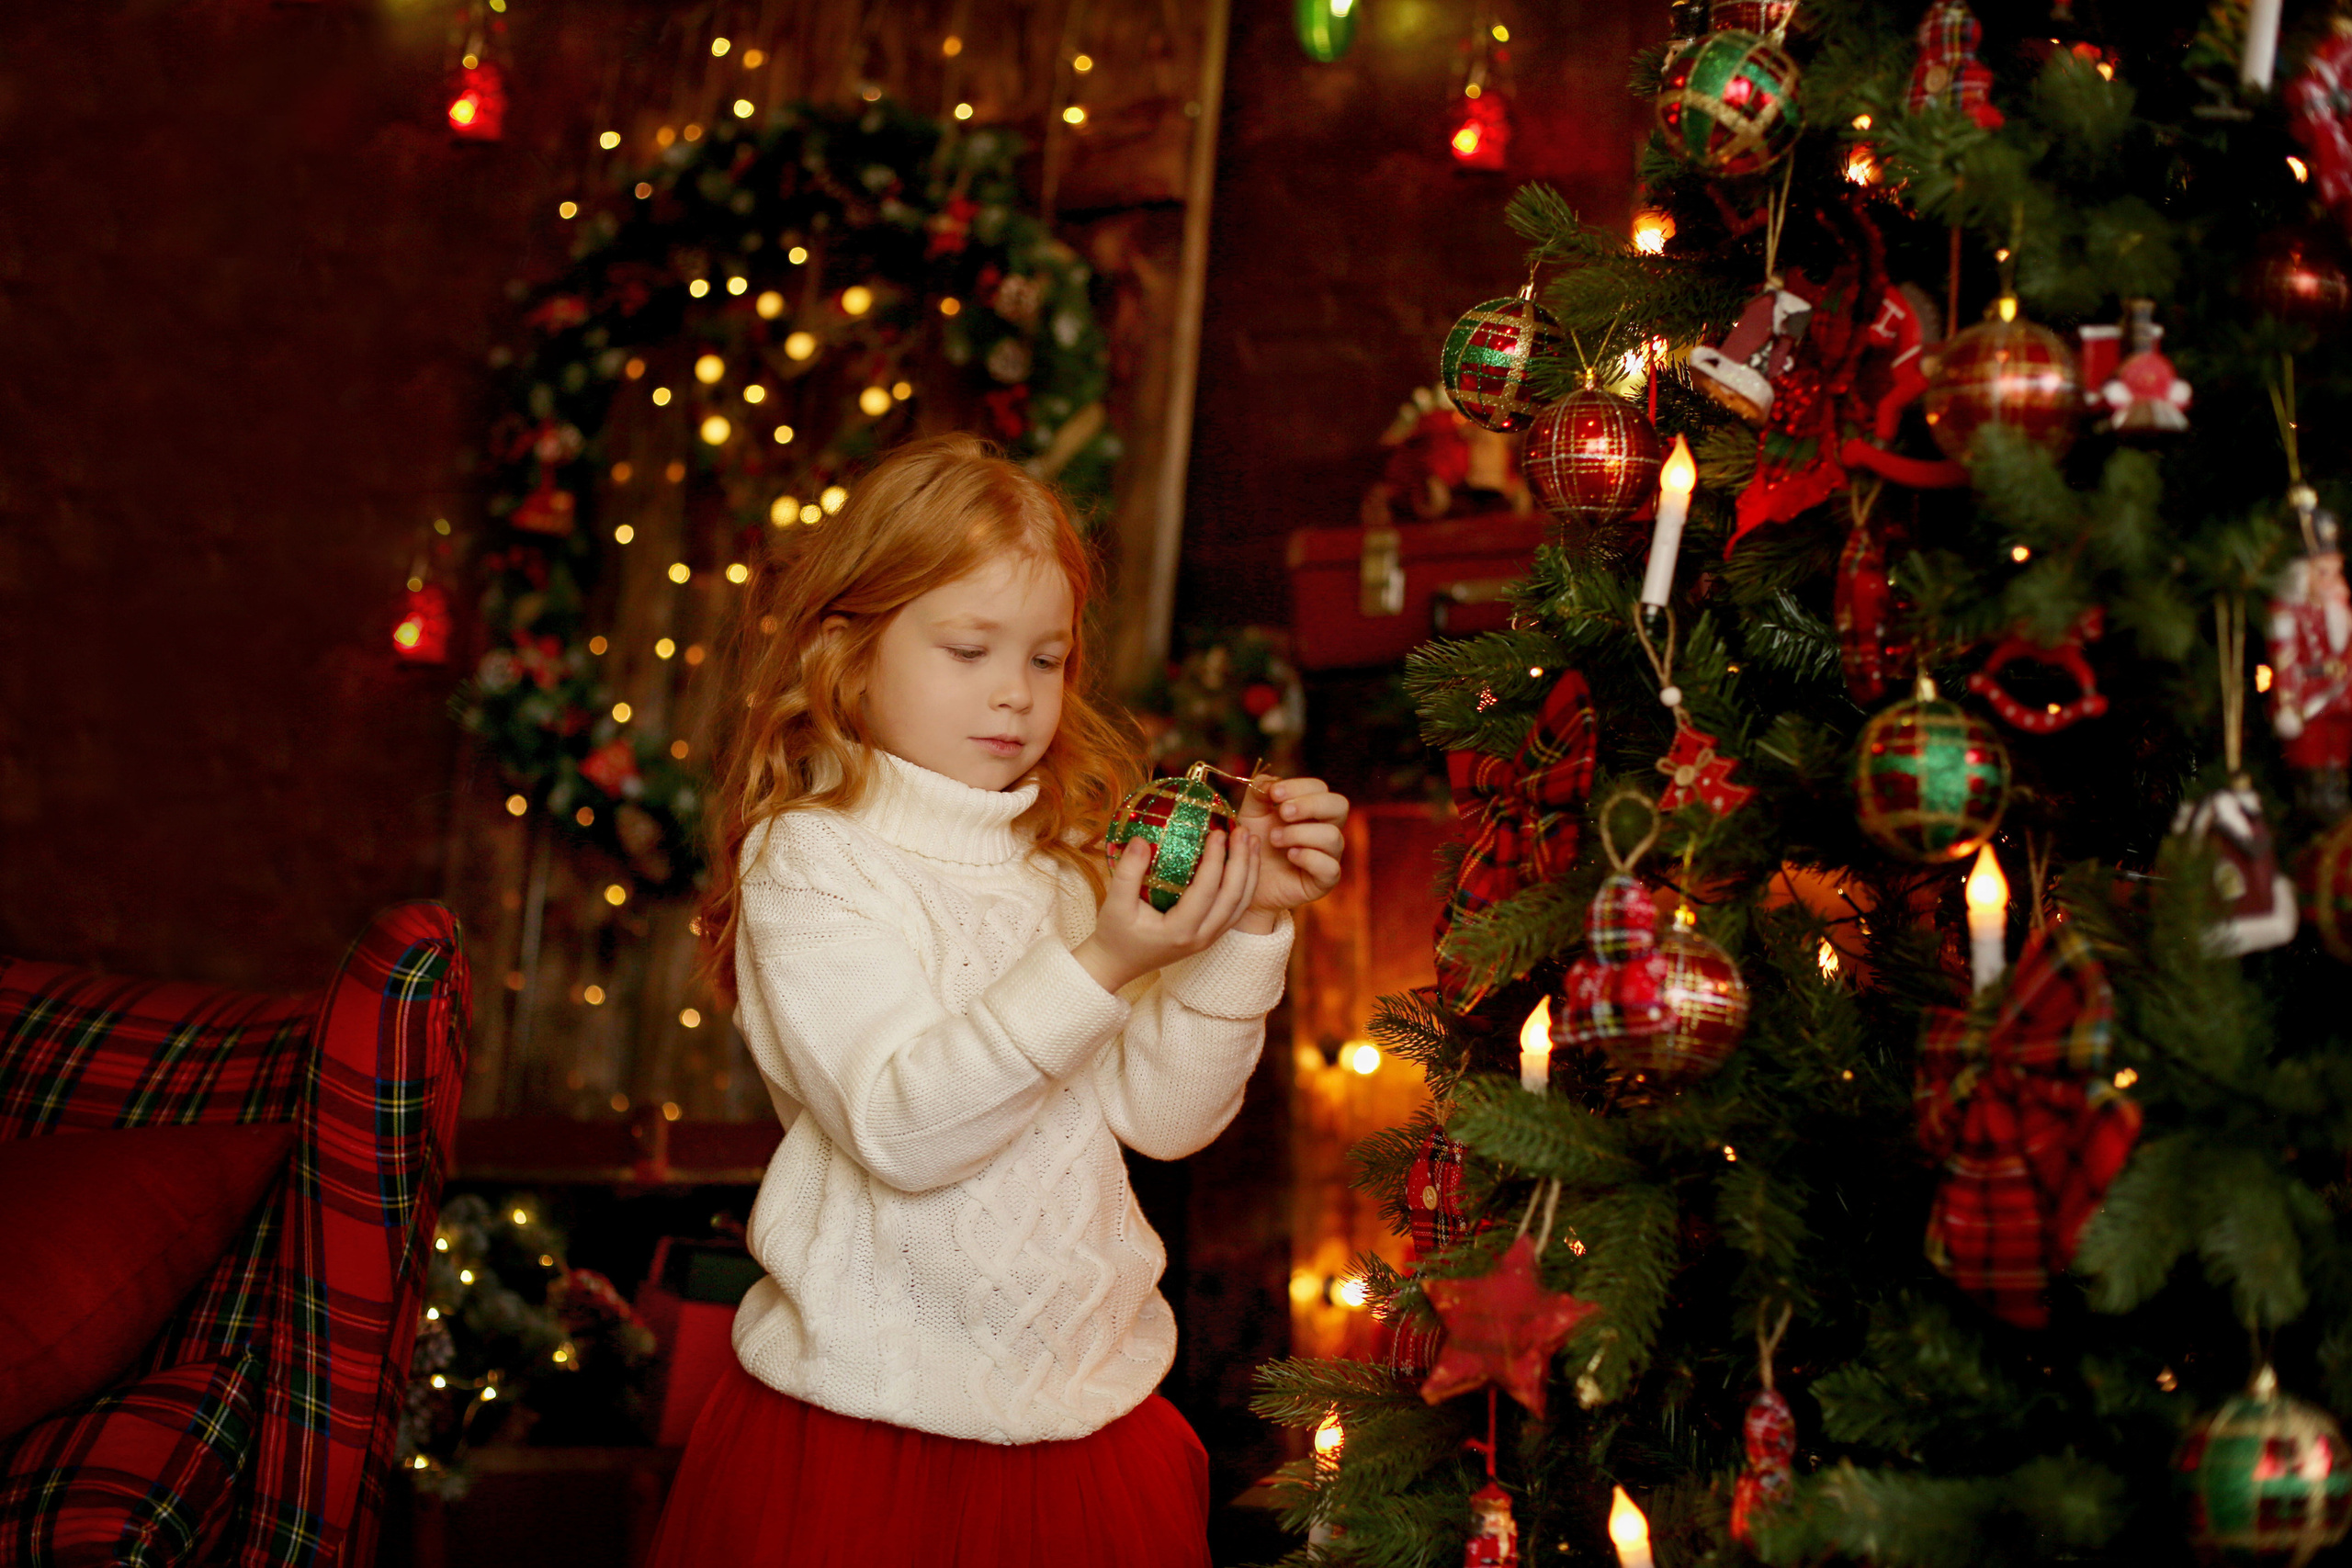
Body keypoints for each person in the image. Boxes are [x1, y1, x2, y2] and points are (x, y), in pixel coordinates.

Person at [647, 434, 1349, 1568]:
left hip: (1088, 1422)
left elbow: (1166, 1119)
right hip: (865, 1436)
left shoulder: (1062, 866)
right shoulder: (815, 861)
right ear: (848, 650)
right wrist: (1104, 961)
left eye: (1047, 658)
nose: (1015, 694)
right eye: (969, 650)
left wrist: (1249, 923)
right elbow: (902, 1128)